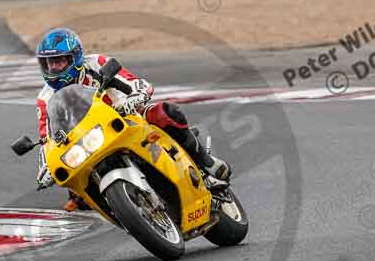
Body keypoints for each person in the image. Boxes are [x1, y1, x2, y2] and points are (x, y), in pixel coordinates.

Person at [35, 28, 231, 211]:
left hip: (125, 117)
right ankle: (131, 212)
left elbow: (135, 82)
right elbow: (47, 140)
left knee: (166, 113)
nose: (53, 68)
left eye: (59, 61)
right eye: (49, 63)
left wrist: (137, 95)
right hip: (88, 143)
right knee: (78, 195)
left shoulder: (97, 63)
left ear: (75, 57)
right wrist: (45, 167)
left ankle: (206, 164)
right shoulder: (45, 99)